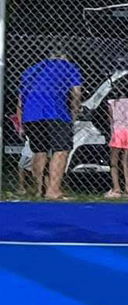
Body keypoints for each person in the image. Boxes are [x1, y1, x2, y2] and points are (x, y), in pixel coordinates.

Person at [19, 48, 82, 200]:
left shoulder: (31, 70)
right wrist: (74, 111)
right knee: (61, 149)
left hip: (31, 113)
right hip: (55, 111)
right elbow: (76, 93)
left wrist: (22, 120)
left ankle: (39, 189)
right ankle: (53, 190)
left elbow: (21, 99)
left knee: (39, 150)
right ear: (65, 56)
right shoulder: (69, 67)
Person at [105, 90, 128, 198]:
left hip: (118, 132)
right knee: (125, 161)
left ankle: (116, 188)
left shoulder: (112, 102)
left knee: (114, 161)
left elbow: (111, 120)